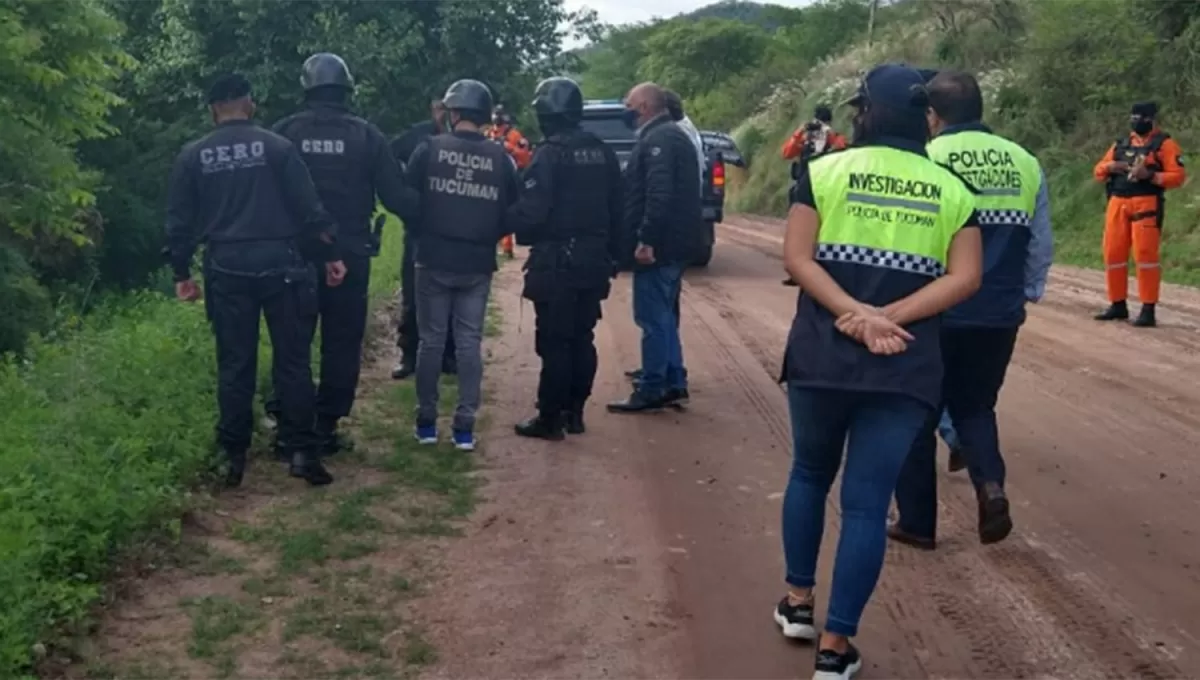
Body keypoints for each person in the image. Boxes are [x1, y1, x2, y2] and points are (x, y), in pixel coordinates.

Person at [774, 64, 981, 679]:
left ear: (865, 112)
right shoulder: (951, 188)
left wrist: (854, 314)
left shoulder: (822, 171)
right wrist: (889, 317)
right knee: (866, 507)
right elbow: (966, 278)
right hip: (904, 361)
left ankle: (797, 602)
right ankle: (835, 651)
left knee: (810, 473)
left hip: (822, 353)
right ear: (924, 116)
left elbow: (796, 257)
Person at [890, 69, 1051, 551]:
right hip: (997, 311)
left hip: (937, 308)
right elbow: (1039, 241)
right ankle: (991, 487)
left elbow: (911, 234)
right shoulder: (1023, 161)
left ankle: (917, 522)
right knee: (976, 407)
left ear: (932, 115)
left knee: (917, 412)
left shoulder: (927, 157)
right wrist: (1027, 292)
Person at [164, 73, 344, 487]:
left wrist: (181, 273)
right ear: (251, 104)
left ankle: (233, 458)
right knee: (293, 362)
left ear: (212, 110)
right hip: (282, 263)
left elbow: (178, 223)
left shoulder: (193, 156)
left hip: (225, 265)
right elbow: (310, 209)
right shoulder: (279, 148)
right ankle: (302, 452)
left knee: (235, 363)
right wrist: (332, 255)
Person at [267, 52, 420, 456]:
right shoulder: (367, 136)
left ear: (307, 88)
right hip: (350, 252)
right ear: (346, 89)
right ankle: (325, 427)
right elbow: (397, 196)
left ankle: (288, 428)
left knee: (292, 343)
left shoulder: (283, 133)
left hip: (294, 255)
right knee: (341, 340)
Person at [406, 79, 519, 450]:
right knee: (469, 343)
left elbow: (410, 200)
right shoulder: (500, 157)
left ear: (453, 113)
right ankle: (465, 428)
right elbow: (512, 209)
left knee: (431, 343)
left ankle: (426, 423)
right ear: (485, 115)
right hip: (477, 263)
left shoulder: (429, 149)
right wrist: (490, 234)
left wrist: (422, 231)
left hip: (432, 260)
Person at [509, 77, 625, 439]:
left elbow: (532, 214)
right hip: (593, 260)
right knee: (582, 336)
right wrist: (614, 255)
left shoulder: (550, 153)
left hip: (557, 261)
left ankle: (550, 417)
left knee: (555, 342)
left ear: (545, 112)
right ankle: (575, 412)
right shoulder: (602, 151)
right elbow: (618, 209)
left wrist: (507, 219)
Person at [607, 82, 702, 413]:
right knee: (662, 315)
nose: (626, 109)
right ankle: (674, 381)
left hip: (661, 246)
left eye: (629, 103)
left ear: (645, 107)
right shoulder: (673, 136)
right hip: (675, 244)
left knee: (652, 318)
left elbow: (658, 195)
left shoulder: (659, 140)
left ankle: (653, 386)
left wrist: (646, 239)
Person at [1092, 101, 1186, 328]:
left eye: (1141, 118)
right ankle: (1117, 304)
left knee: (1145, 256)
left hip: (1146, 204)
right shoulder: (1121, 144)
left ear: (1152, 120)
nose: (1136, 122)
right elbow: (1097, 171)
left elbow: (1178, 176)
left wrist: (1151, 176)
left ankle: (1148, 308)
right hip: (1117, 202)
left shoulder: (1164, 144)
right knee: (1113, 254)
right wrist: (1111, 167)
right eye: (1133, 118)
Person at [390, 98, 457, 381]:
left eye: (450, 107)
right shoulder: (418, 135)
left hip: (454, 230)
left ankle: (449, 356)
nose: (445, 112)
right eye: (441, 106)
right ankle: (409, 355)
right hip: (420, 228)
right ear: (433, 107)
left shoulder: (464, 139)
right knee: (414, 296)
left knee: (454, 296)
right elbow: (387, 155)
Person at [781, 105, 848, 287]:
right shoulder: (807, 136)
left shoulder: (833, 136)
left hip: (820, 183)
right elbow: (787, 153)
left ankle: (807, 269)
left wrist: (829, 137)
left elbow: (843, 150)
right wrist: (802, 133)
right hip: (808, 182)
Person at [487, 104, 532, 259]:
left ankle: (507, 247)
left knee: (509, 207)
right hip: (492, 173)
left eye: (499, 115)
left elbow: (525, 157)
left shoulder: (514, 135)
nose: (496, 119)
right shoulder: (489, 133)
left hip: (512, 174)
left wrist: (509, 148)